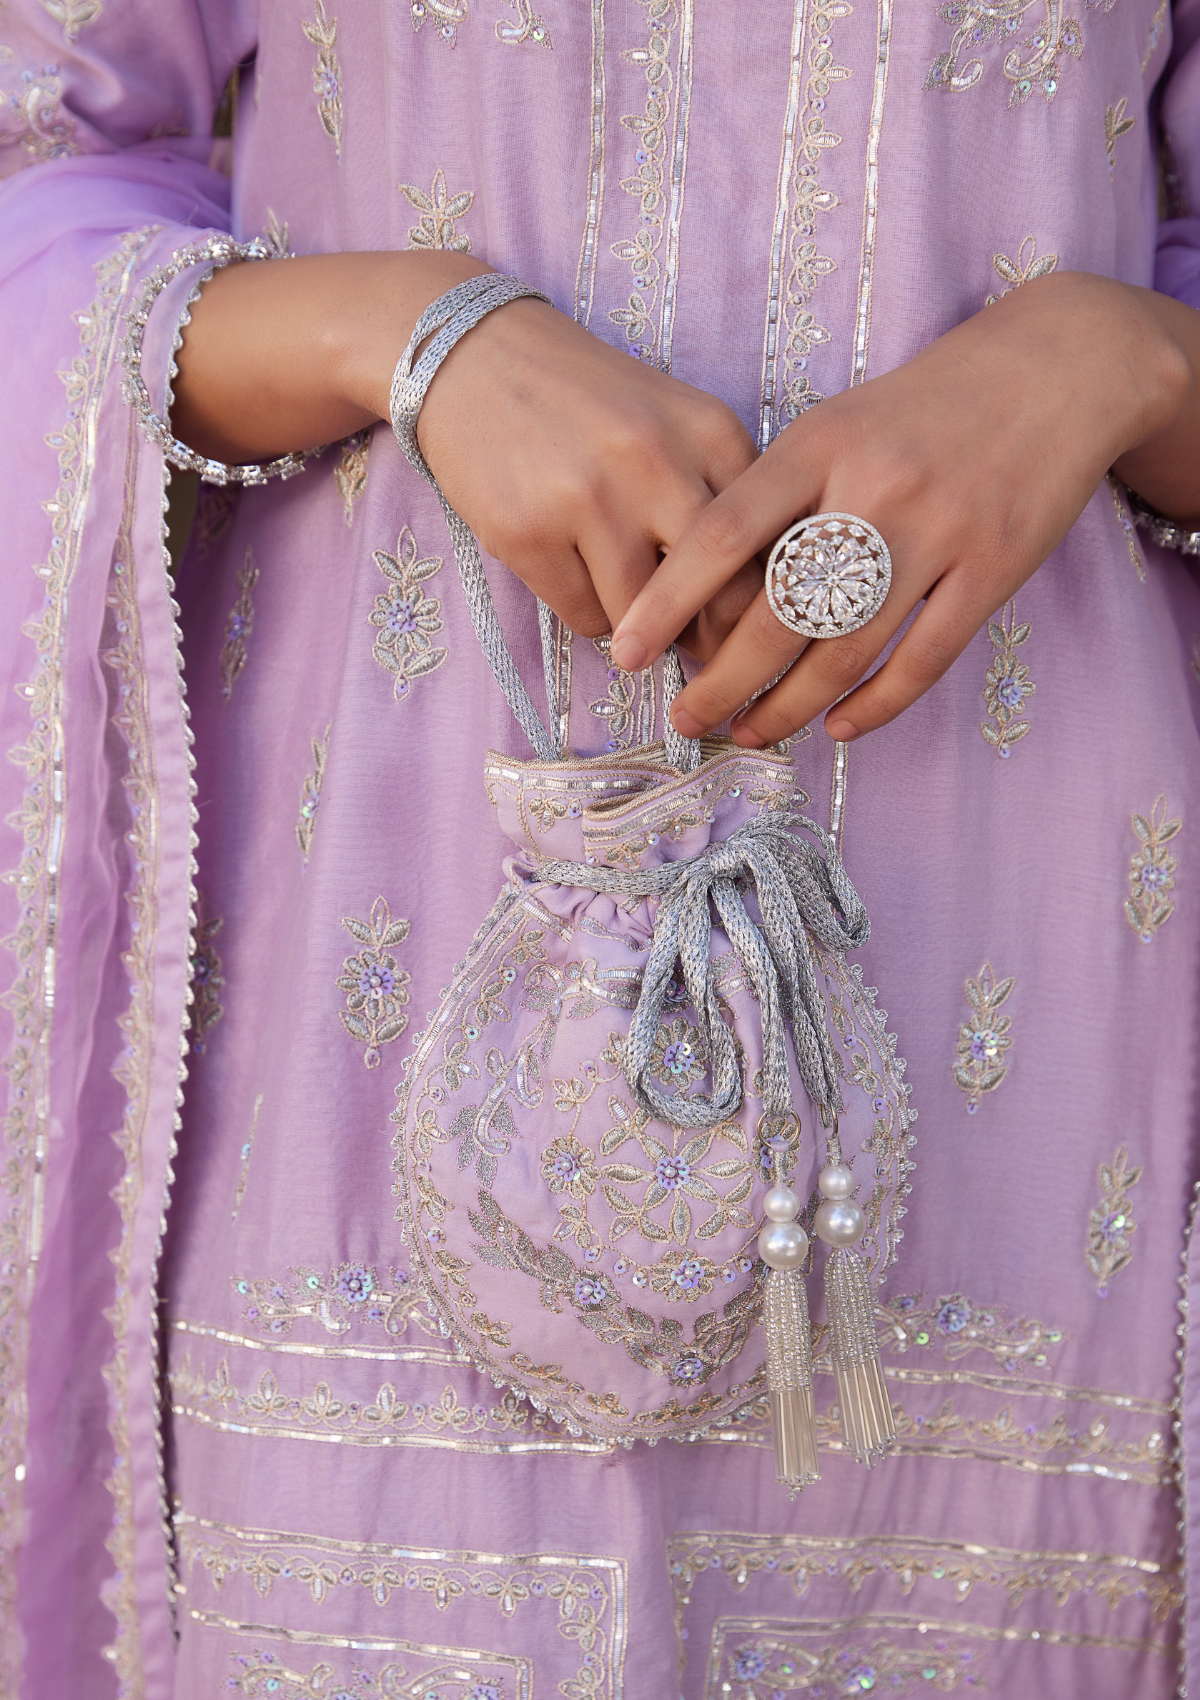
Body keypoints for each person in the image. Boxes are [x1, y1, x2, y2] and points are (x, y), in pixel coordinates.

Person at [1, 0, 1199, 1694]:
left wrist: (1111, 355)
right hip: (364, 996)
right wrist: (402, 330)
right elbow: (36, 157)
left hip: (1023, 1017)